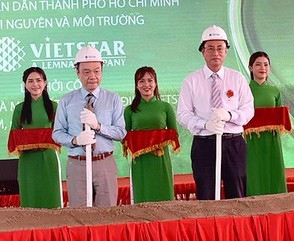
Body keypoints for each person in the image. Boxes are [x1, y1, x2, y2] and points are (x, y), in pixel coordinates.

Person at [177, 25, 254, 200]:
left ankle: (237, 227)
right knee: (206, 195)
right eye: (210, 48)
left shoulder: (237, 78)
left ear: (226, 51)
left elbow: (248, 110)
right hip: (204, 144)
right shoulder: (191, 81)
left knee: (237, 194)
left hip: (233, 144)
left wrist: (230, 115)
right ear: (202, 52)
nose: (215, 53)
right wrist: (205, 124)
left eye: (220, 48)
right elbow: (183, 114)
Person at [52, 45, 126, 207]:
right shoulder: (67, 101)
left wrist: (99, 126)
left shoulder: (113, 99)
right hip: (77, 163)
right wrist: (75, 140)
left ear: (102, 71)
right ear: (78, 73)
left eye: (97, 71)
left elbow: (121, 133)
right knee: (80, 216)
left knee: (107, 214)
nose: (92, 76)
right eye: (86, 72)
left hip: (104, 162)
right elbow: (57, 133)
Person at [124, 67, 178, 203]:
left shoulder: (166, 107)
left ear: (155, 83)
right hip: (140, 161)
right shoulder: (130, 110)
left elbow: (173, 133)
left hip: (161, 160)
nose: (146, 85)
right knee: (143, 196)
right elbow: (124, 137)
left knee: (164, 196)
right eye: (141, 81)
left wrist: (156, 140)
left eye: (150, 80)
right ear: (136, 85)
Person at [9, 67, 61, 208]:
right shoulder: (19, 108)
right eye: (30, 81)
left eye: (38, 80)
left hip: (48, 158)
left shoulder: (54, 106)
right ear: (25, 85)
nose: (35, 84)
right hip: (27, 160)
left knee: (51, 195)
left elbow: (59, 133)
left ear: (45, 83)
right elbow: (14, 134)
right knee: (30, 196)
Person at [246, 51, 287, 196]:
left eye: (265, 64)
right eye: (258, 64)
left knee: (274, 172)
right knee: (254, 173)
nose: (262, 68)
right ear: (250, 68)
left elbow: (280, 118)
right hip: (250, 142)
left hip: (272, 140)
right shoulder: (244, 90)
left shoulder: (275, 91)